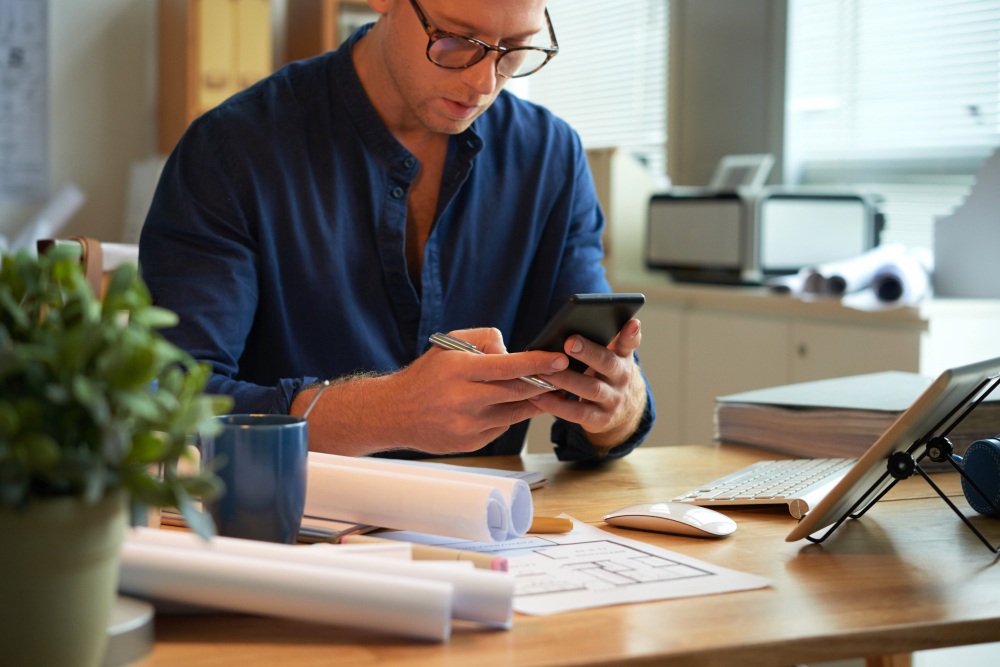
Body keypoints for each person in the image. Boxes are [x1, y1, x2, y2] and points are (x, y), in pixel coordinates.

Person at [139, 0, 655, 462]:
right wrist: (388, 411)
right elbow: (171, 404)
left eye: (515, 49)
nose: (484, 82)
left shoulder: (551, 158)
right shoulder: (232, 150)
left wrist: (618, 406)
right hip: (289, 533)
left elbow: (600, 378)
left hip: (484, 536)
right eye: (455, 40)